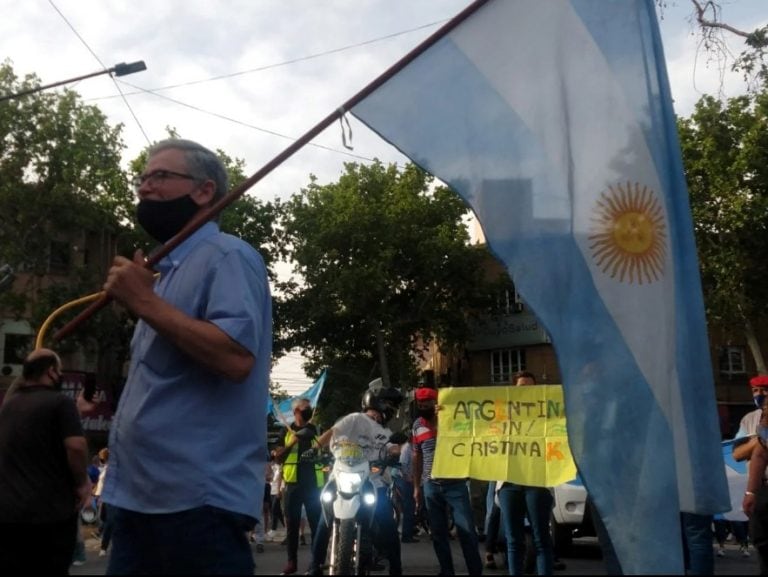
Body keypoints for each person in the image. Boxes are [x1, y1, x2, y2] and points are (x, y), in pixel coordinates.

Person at [99, 138, 272, 575]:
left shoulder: (227, 255)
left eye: (160, 176)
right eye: (142, 178)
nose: (145, 188)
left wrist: (144, 303)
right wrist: (147, 297)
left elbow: (235, 359)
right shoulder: (161, 276)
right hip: (138, 501)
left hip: (196, 505)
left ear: (204, 190)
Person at [0, 348, 92, 574]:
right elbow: (76, 446)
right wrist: (82, 483)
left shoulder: (9, 406)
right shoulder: (60, 403)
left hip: (9, 514)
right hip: (50, 516)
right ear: (51, 372)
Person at [308, 386, 405, 576]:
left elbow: (394, 449)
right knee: (324, 519)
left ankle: (396, 567)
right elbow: (332, 431)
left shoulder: (386, 433)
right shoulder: (355, 419)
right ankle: (314, 566)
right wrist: (314, 448)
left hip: (372, 481)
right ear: (380, 404)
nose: (392, 410)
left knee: (387, 523)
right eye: (391, 405)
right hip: (341, 477)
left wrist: (400, 449)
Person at [412, 386, 483, 576]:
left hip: (456, 484)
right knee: (438, 533)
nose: (424, 406)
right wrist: (417, 487)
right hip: (430, 486)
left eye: (428, 403)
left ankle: (475, 570)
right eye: (421, 404)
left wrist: (443, 420)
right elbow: (417, 456)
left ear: (437, 403)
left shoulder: (454, 420)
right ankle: (446, 570)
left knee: (467, 531)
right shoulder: (417, 425)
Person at [496, 371, 554, 576]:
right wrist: (446, 414)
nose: (527, 391)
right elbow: (476, 429)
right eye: (522, 387)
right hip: (509, 483)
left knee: (541, 540)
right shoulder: (501, 414)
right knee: (514, 541)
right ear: (514, 390)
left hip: (537, 482)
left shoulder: (547, 413)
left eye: (532, 387)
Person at [271, 398, 324, 575]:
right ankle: (291, 562)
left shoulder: (314, 430)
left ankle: (317, 564)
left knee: (317, 525)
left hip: (313, 485)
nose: (309, 410)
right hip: (293, 485)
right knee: (292, 526)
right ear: (296, 412)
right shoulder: (285, 432)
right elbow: (277, 457)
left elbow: (326, 450)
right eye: (305, 408)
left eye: (310, 408)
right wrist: (291, 442)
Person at [742, 377, 768, 575]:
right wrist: (751, 492)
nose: (760, 395)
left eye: (764, 390)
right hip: (763, 489)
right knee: (762, 542)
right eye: (756, 390)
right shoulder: (752, 419)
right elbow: (755, 453)